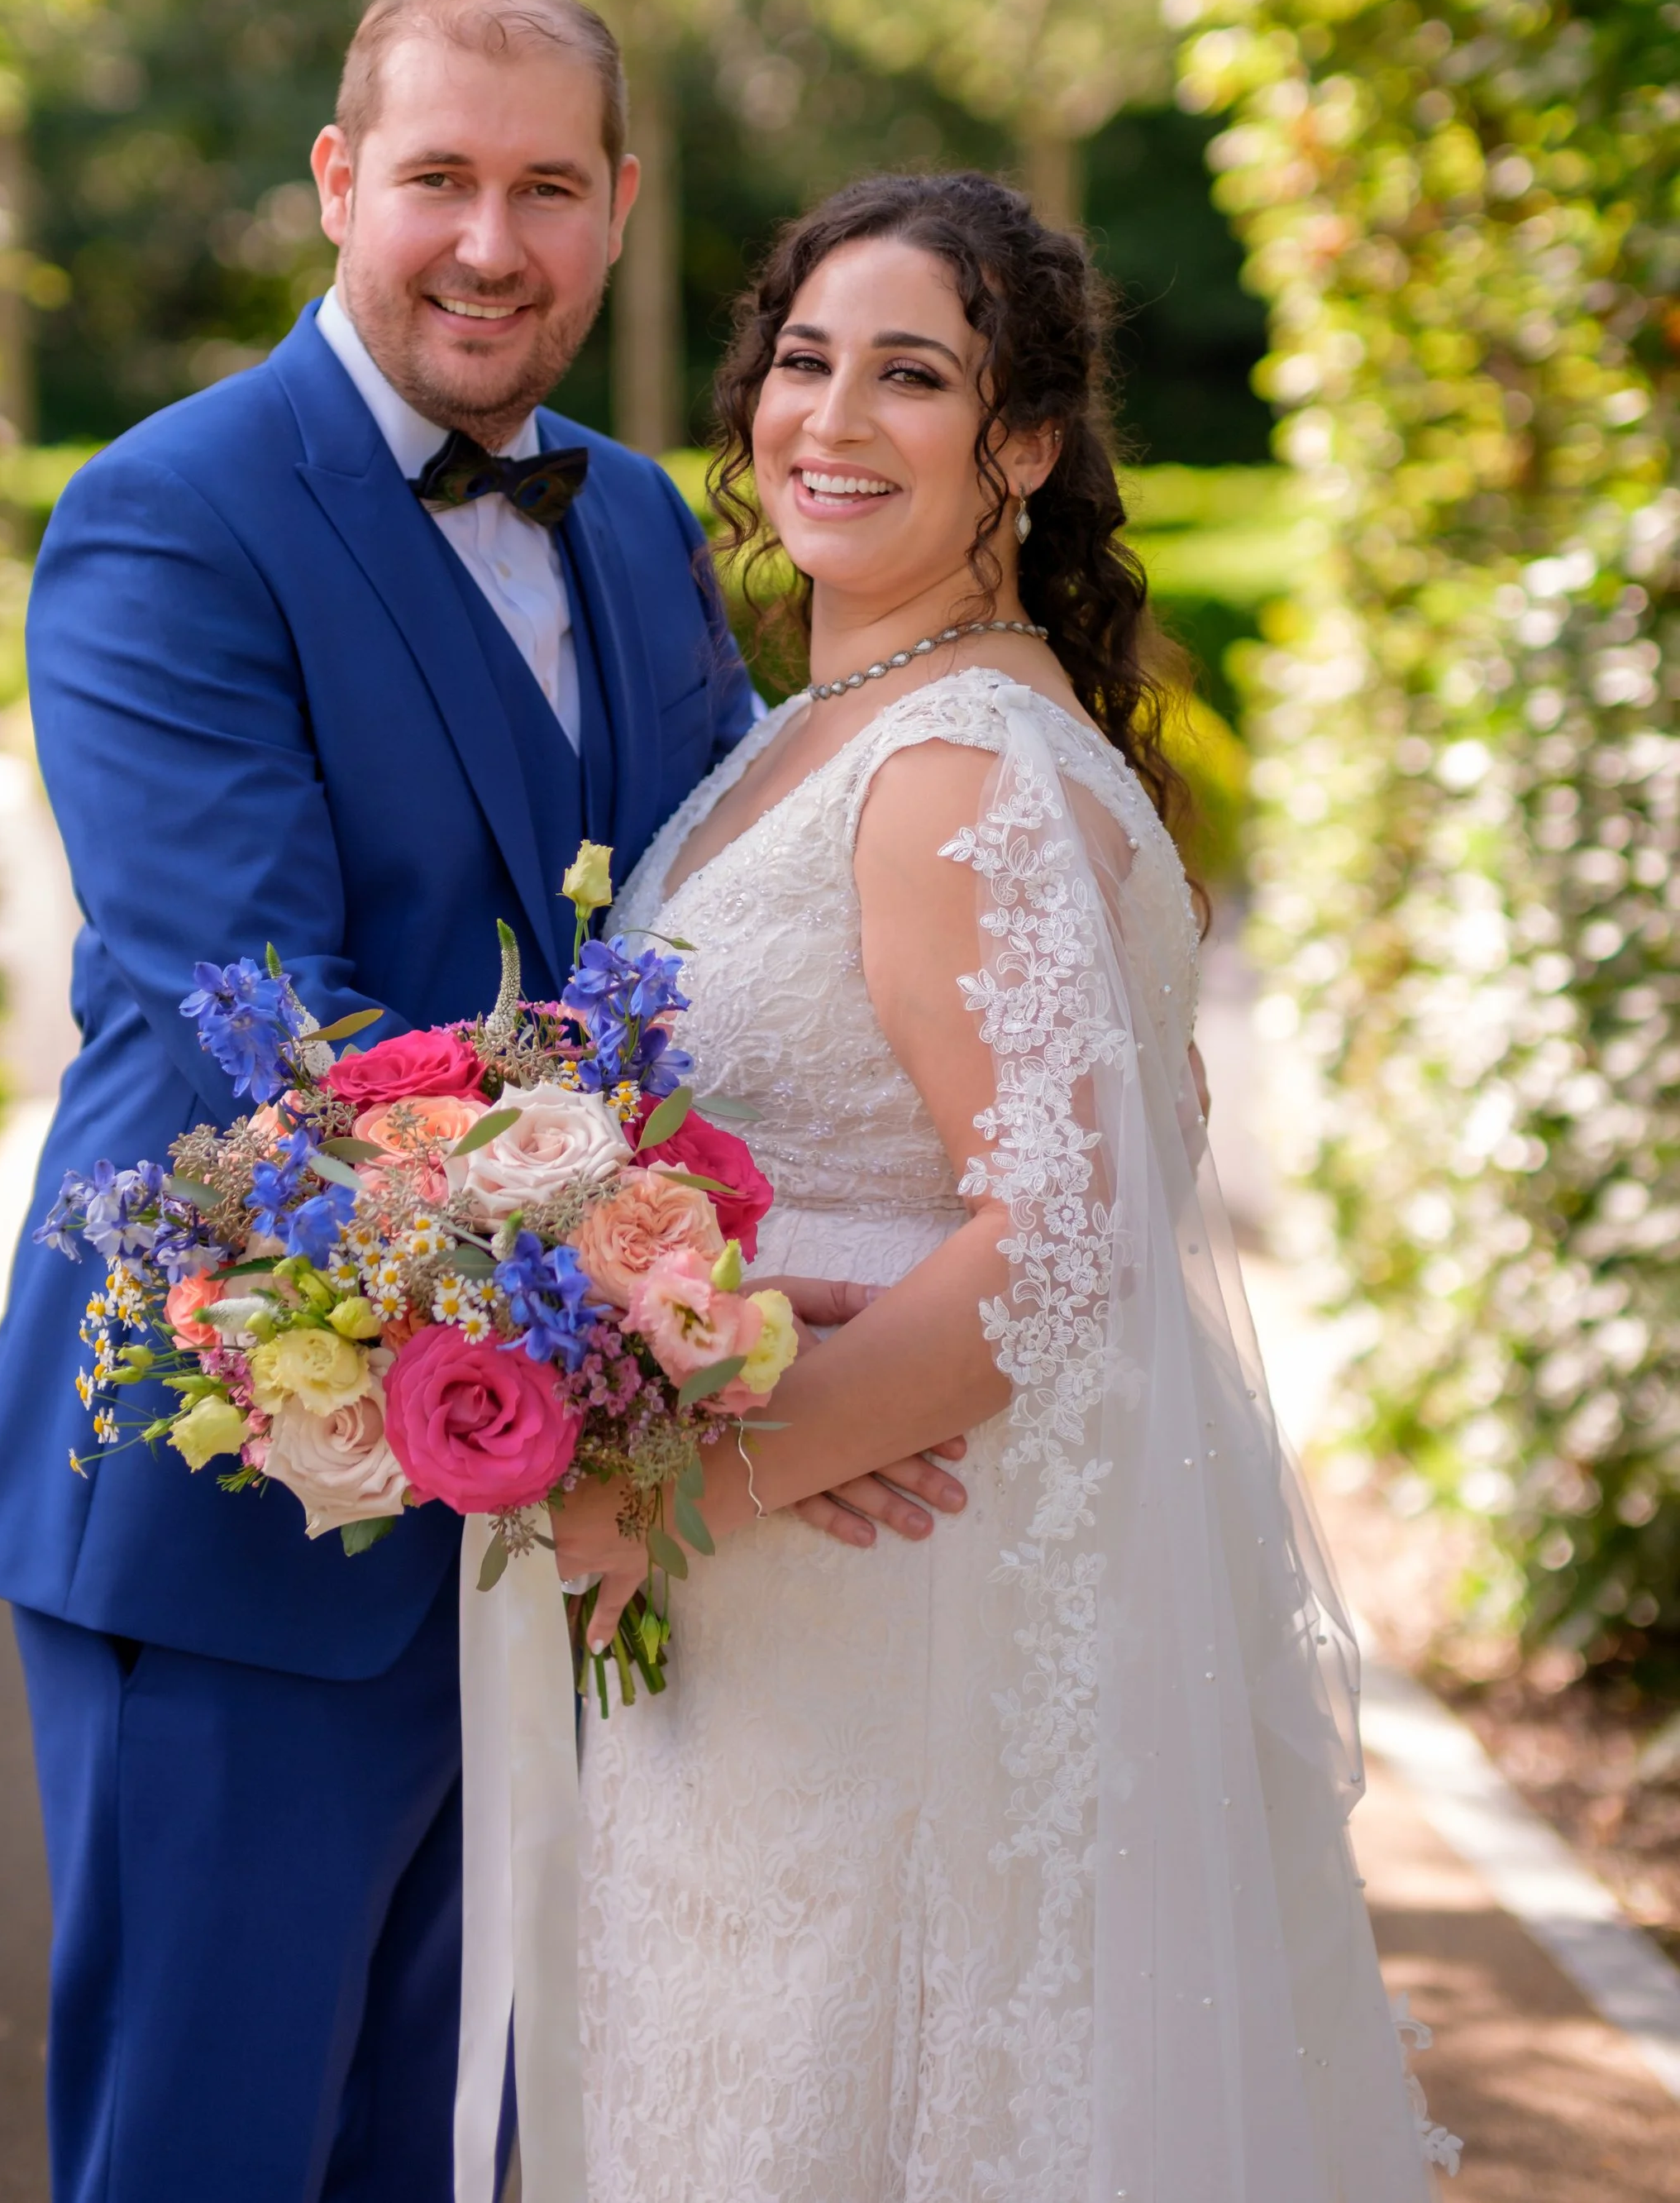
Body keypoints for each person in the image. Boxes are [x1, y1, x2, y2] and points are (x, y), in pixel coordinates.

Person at [0, 0, 962, 2203]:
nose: (485, 242)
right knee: (209, 2144)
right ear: (336, 183)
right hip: (242, 1476)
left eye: (539, 187)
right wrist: (709, 1319)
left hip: (554, 1507)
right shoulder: (166, 519)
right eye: (432, 179)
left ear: (614, 209)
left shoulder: (628, 518)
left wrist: (803, 1352)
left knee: (459, 2140)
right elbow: (276, 1031)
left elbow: (725, 961)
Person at [556, 170, 1457, 2203]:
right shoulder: (822, 728)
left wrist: (678, 1480)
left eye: (911, 378)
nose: (829, 421)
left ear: (1022, 447)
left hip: (879, 1589)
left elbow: (1058, 1243)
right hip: (801, 1593)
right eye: (801, 365)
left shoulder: (945, 762)